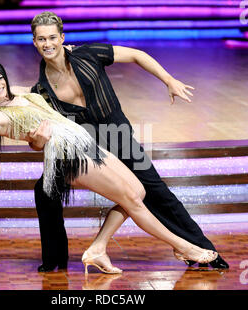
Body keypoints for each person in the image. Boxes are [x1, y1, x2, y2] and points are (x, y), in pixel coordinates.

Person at [0, 58, 219, 274]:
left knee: (139, 191)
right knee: (132, 200)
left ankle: (98, 249)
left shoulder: (20, 93)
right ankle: (184, 247)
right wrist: (18, 154)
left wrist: (68, 54)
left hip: (86, 143)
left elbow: (44, 89)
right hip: (68, 157)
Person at [28, 12, 229, 272]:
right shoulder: (41, 91)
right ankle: (55, 259)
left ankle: (202, 251)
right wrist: (37, 142)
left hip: (118, 134)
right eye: (41, 39)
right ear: (34, 42)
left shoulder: (88, 54)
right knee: (44, 189)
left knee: (158, 193)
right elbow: (40, 137)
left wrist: (168, 79)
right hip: (89, 148)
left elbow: (136, 55)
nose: (48, 44)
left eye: (52, 37)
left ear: (62, 37)